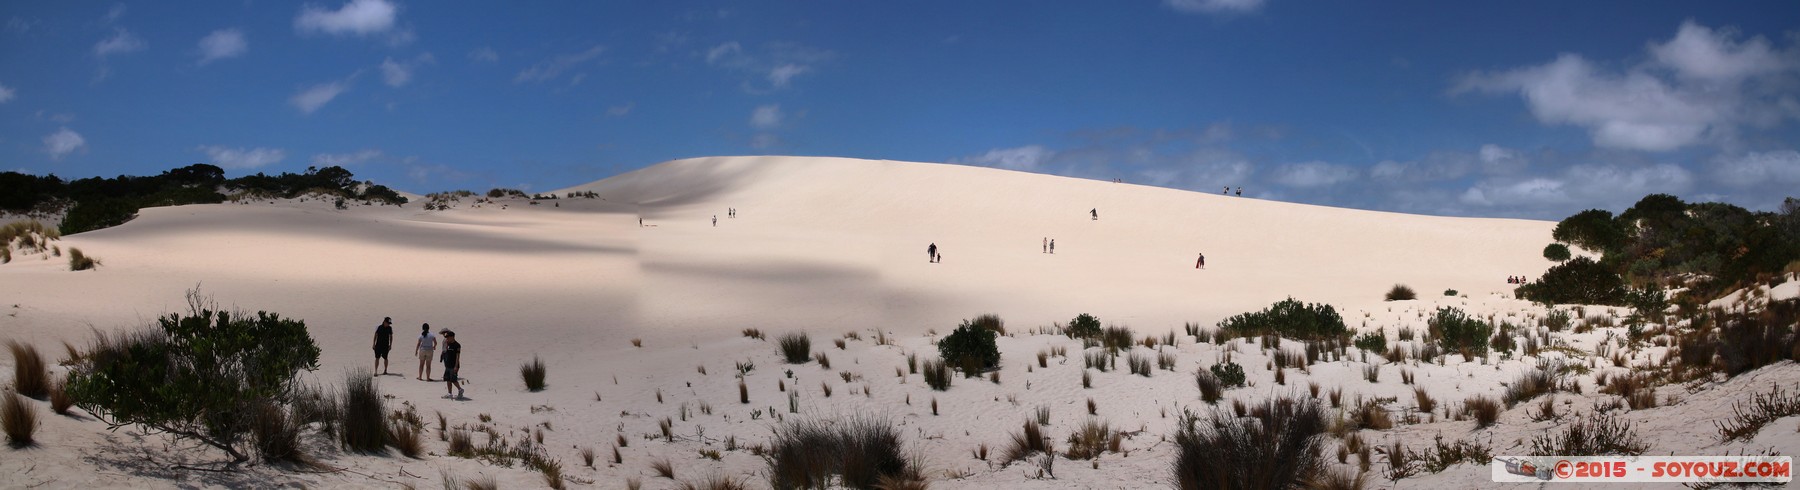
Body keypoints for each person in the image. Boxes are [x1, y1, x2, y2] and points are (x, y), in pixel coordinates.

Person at [441, 329, 463, 399]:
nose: (447, 338)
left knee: (453, 380)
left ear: (452, 337)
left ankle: (460, 389)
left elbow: (457, 356)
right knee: (447, 379)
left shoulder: (457, 345)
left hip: (454, 365)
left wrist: (456, 366)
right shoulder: (448, 344)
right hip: (448, 364)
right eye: (446, 337)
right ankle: (449, 393)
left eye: (448, 337)